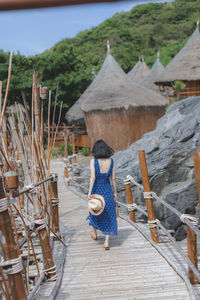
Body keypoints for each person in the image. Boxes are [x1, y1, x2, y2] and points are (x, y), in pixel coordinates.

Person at [87, 139, 118, 250]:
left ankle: (94, 233)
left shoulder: (93, 161)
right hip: (107, 190)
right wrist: (115, 192)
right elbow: (113, 178)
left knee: (94, 209)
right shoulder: (111, 161)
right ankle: (106, 242)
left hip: (97, 189)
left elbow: (93, 177)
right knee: (109, 213)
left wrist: (89, 192)